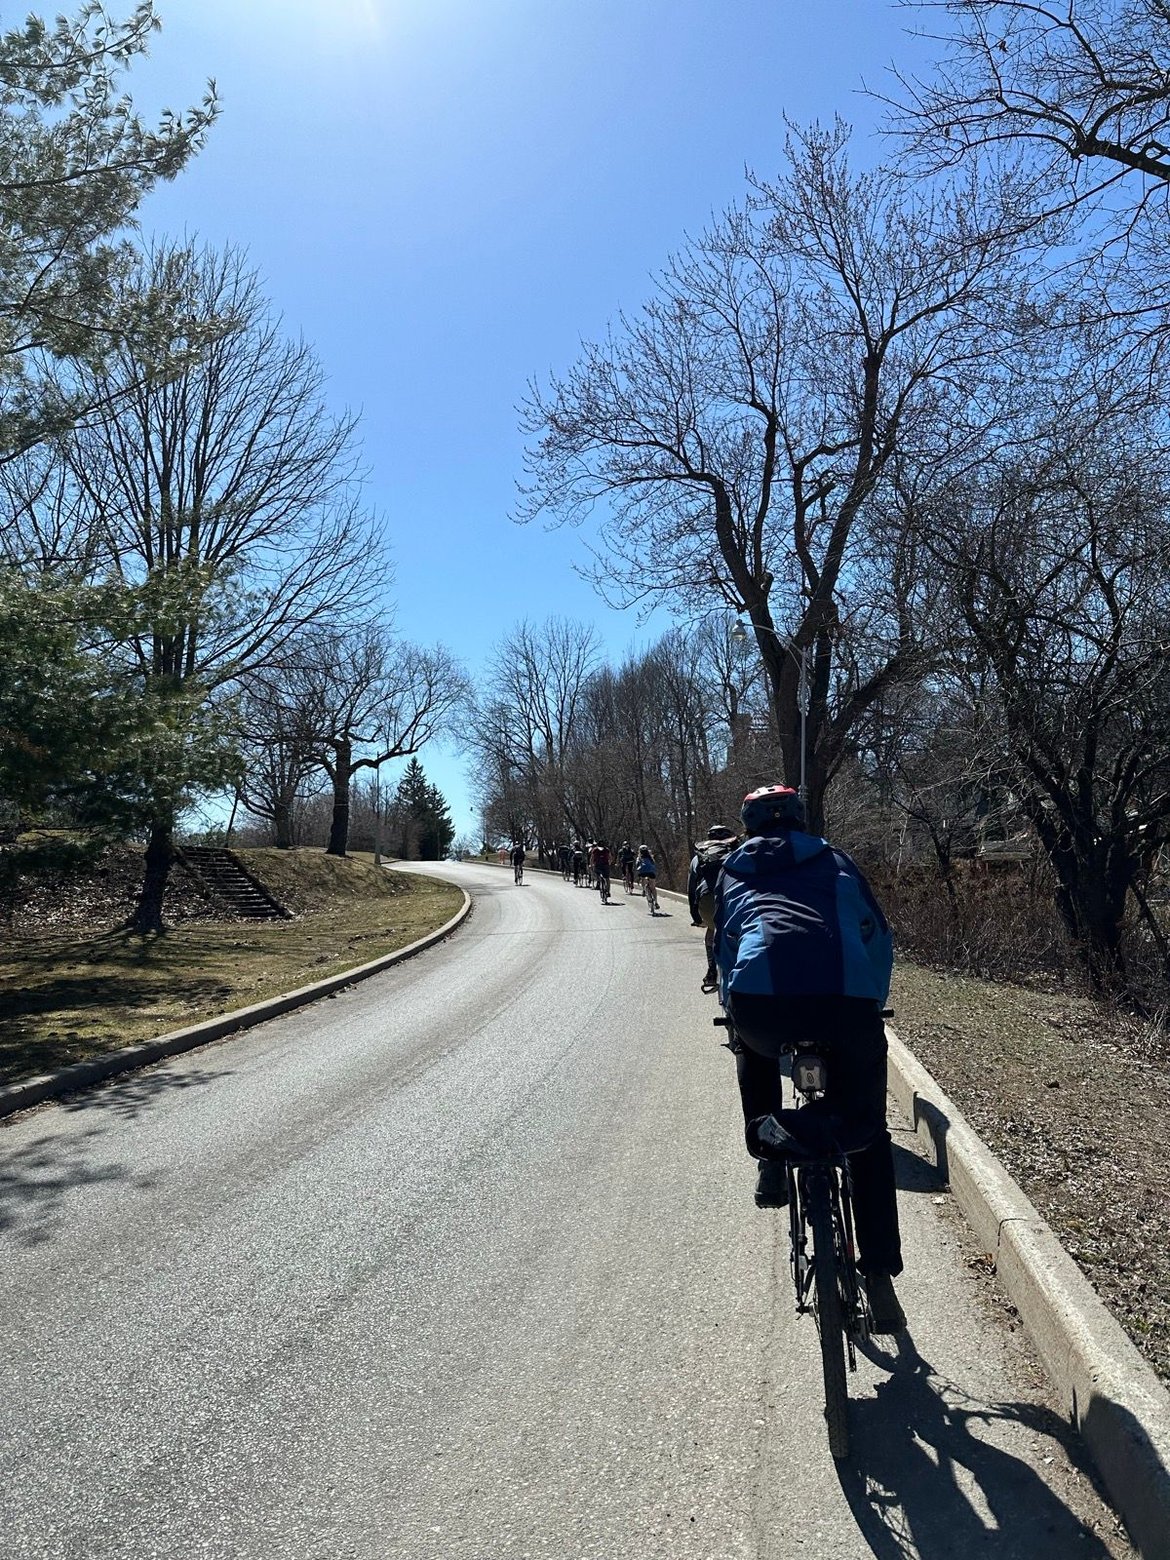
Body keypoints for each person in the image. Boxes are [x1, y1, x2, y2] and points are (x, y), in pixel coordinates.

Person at [713, 784, 906, 1334]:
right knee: (868, 1138)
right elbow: (877, 936)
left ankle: (770, 1160)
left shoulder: (733, 871)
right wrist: (871, 1000)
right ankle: (879, 1278)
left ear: (748, 827)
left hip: (762, 1006)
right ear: (801, 820)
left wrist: (735, 1011)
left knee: (749, 1050)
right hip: (844, 1005)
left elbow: (725, 950)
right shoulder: (837, 861)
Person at [688, 823, 739, 992]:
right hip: (733, 901)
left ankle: (711, 971)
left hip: (707, 902)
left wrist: (696, 916)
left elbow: (691, 887)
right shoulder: (736, 852)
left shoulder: (698, 858)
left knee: (711, 930)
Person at [635, 844, 659, 913]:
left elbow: (637, 866)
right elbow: (654, 864)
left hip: (643, 872)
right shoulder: (651, 857)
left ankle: (643, 890)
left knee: (642, 878)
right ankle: (656, 902)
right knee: (653, 887)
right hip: (651, 872)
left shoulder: (639, 858)